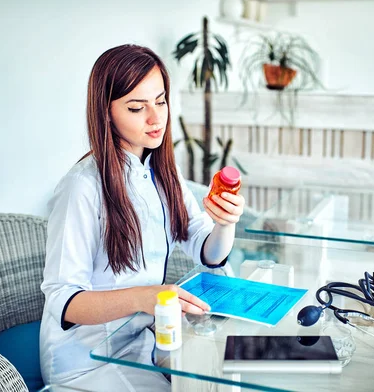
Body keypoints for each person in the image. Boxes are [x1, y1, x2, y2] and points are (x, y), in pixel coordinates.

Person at [39, 44, 245, 391]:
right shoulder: (82, 187)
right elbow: (63, 299)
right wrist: (143, 297)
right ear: (107, 113)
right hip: (88, 359)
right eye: (137, 107)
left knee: (230, 374)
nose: (155, 118)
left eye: (160, 101)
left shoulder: (161, 171)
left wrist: (225, 223)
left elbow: (204, 247)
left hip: (145, 340)